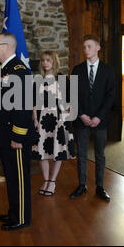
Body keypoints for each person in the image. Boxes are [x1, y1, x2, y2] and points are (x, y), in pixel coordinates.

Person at [0, 32, 36, 231]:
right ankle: (13, 212)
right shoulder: (7, 68)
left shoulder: (18, 71)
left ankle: (22, 218)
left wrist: (18, 136)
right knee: (10, 176)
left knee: (19, 178)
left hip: (16, 137)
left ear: (7, 47)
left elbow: (24, 107)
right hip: (6, 135)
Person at [70, 34, 115, 201]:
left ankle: (100, 187)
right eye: (84, 47)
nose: (86, 49)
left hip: (100, 121)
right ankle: (82, 185)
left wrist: (99, 117)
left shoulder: (108, 70)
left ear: (98, 48)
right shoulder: (77, 69)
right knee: (81, 153)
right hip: (81, 119)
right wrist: (81, 114)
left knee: (99, 155)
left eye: (89, 46)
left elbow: (111, 96)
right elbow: (72, 94)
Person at [32, 51, 75, 196]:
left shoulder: (62, 79)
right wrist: (35, 120)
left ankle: (53, 181)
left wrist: (65, 118)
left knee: (58, 150)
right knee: (41, 152)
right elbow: (34, 103)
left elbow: (70, 101)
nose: (45, 63)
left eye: (48, 60)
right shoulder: (37, 79)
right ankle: (45, 180)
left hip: (58, 119)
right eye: (43, 60)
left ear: (54, 62)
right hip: (42, 119)